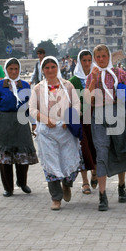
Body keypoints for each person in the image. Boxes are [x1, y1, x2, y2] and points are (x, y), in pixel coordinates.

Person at [85, 44, 126, 211]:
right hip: (99, 116)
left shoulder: (119, 73)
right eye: (98, 57)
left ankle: (121, 185)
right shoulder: (92, 75)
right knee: (102, 152)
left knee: (120, 149)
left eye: (104, 56)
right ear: (95, 59)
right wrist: (94, 80)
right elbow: (87, 100)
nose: (101, 60)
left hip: (118, 115)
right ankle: (102, 196)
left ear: (108, 57)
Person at [29, 56, 81, 211]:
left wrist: (69, 118)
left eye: (53, 67)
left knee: (69, 161)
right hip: (47, 132)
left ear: (58, 68)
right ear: (42, 70)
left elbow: (76, 104)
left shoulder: (67, 85)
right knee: (51, 165)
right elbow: (32, 109)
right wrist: (45, 119)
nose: (50, 70)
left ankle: (67, 184)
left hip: (66, 131)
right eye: (47, 68)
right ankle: (56, 197)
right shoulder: (38, 88)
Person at [0, 58, 38, 197]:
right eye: (11, 69)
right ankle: (8, 187)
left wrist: (33, 123)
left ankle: (22, 182)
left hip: (21, 121)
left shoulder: (25, 85)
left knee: (23, 155)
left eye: (16, 69)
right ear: (6, 70)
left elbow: (29, 106)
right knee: (5, 156)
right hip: (4, 122)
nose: (14, 72)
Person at [69, 50, 98, 195]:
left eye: (89, 60)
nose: (87, 63)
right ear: (79, 62)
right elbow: (78, 101)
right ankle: (85, 181)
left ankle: (95, 171)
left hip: (95, 117)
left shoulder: (98, 76)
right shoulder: (74, 80)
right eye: (84, 61)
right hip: (81, 118)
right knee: (83, 148)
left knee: (97, 145)